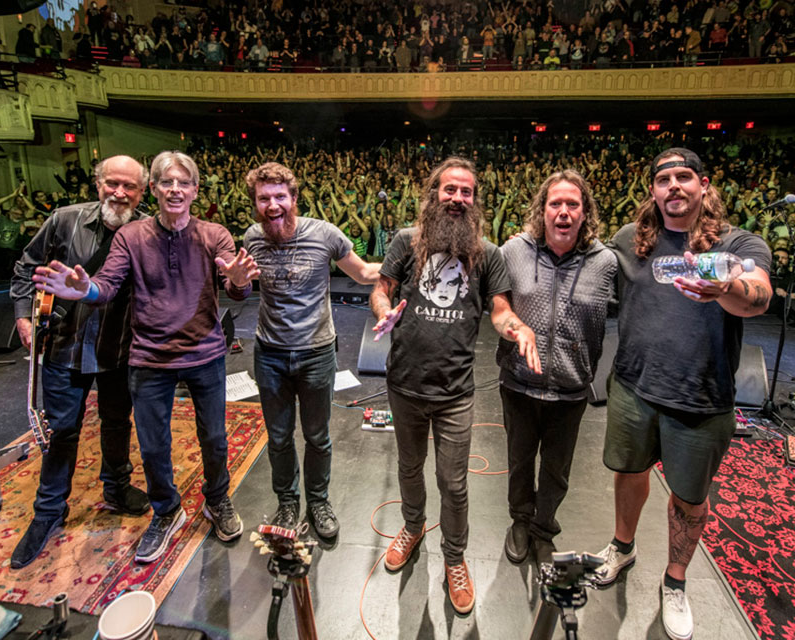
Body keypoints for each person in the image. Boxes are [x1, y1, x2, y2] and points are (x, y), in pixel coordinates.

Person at [33, 151, 259, 564]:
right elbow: (107, 284)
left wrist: (240, 282)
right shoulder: (131, 237)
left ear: (195, 190)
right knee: (154, 446)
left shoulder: (214, 234)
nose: (175, 190)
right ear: (153, 189)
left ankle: (217, 499)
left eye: (183, 183)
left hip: (205, 354)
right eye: (166, 183)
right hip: (149, 358)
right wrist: (83, 291)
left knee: (214, 438)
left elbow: (237, 286)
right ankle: (167, 511)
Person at [599, 148, 772, 640]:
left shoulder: (739, 245)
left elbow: (759, 296)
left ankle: (674, 581)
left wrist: (726, 290)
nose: (673, 186)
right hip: (633, 386)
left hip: (701, 396)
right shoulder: (631, 240)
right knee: (629, 473)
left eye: (684, 177)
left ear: (703, 184)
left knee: (689, 500)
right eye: (663, 179)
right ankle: (622, 546)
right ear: (652, 190)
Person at [369, 157, 541, 615]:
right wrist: (383, 309)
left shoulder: (487, 254)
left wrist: (516, 328)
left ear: (474, 200)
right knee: (409, 469)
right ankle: (411, 525)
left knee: (455, 484)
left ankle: (454, 557)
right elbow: (381, 288)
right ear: (434, 194)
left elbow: (501, 311)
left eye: (466, 192)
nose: (457, 199)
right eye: (450, 190)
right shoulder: (406, 242)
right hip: (404, 383)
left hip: (455, 392)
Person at [8, 155, 151, 569]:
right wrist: (22, 314)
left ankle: (117, 488)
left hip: (120, 349)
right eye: (112, 184)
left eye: (130, 186)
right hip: (65, 347)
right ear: (98, 183)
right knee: (62, 430)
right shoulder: (64, 221)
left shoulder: (146, 232)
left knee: (117, 422)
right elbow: (24, 267)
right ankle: (49, 511)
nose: (119, 193)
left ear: (142, 191)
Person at [242, 162, 382, 538]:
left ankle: (318, 501)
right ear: (256, 202)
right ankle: (288, 503)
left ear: (294, 198)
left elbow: (364, 273)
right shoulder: (251, 238)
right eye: (264, 198)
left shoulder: (324, 234)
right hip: (270, 354)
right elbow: (238, 284)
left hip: (317, 353)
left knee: (317, 437)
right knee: (279, 437)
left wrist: (411, 265)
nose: (273, 205)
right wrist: (235, 279)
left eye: (280, 197)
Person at [497, 171, 616, 565]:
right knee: (519, 461)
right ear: (542, 210)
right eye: (555, 204)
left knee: (556, 469)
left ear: (585, 213)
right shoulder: (514, 251)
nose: (563, 212)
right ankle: (519, 520)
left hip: (570, 388)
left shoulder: (606, 263)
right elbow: (496, 303)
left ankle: (543, 527)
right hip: (519, 383)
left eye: (573, 205)